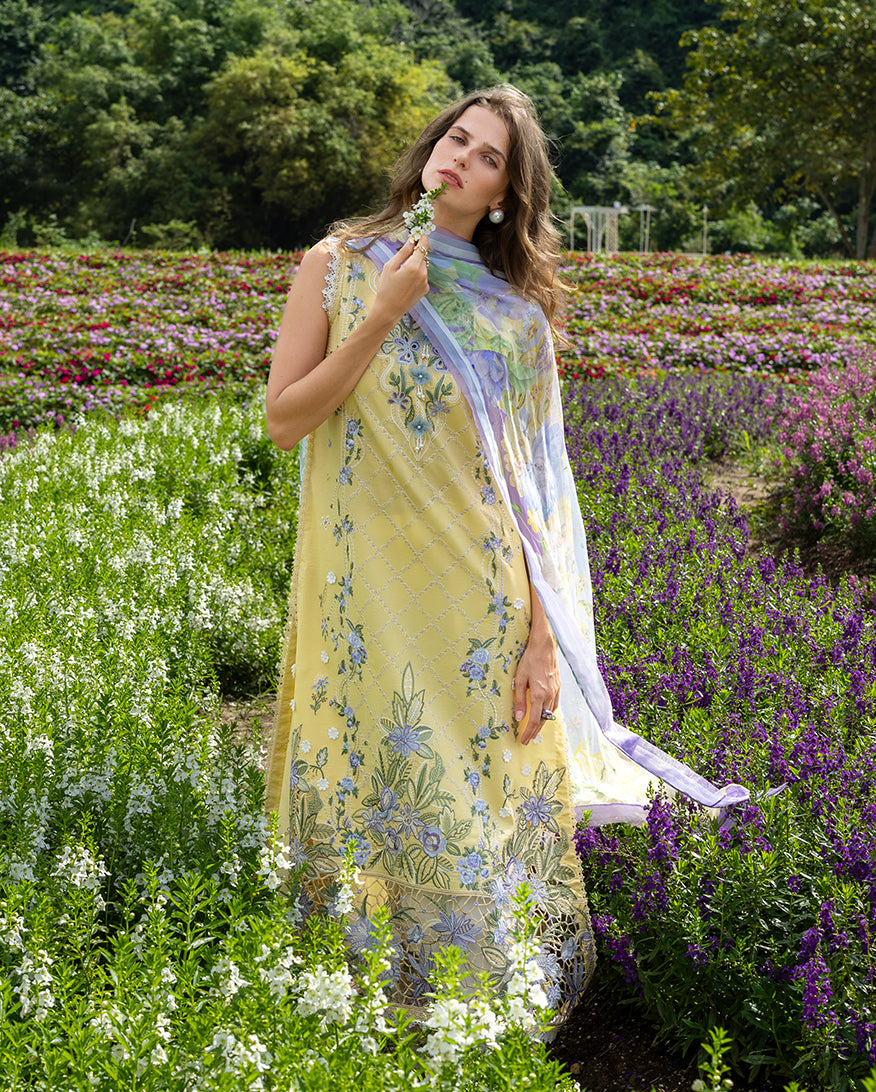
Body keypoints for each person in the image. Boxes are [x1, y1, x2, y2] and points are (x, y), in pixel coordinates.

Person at [263, 85, 747, 1019]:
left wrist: (541, 641)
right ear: (429, 149)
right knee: (374, 776)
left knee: (470, 797)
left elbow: (540, 501)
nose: (462, 159)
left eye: (489, 158)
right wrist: (384, 311)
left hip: (482, 596)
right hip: (364, 595)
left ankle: (478, 1012)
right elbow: (286, 420)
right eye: (458, 138)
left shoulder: (515, 321)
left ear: (504, 197)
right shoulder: (337, 264)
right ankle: (354, 999)